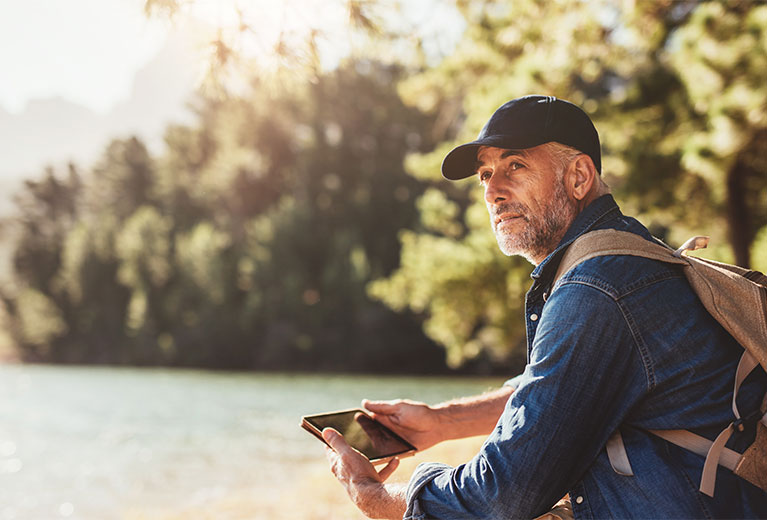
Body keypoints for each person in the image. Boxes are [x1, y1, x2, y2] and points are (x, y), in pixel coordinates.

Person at [322, 95, 767, 519]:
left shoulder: (597, 288)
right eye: (484, 175)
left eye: (515, 165)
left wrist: (376, 496)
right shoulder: (627, 257)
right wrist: (442, 422)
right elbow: (563, 387)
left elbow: (500, 498)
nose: (493, 191)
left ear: (578, 177)